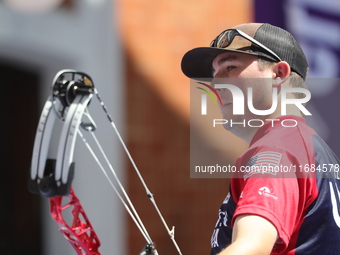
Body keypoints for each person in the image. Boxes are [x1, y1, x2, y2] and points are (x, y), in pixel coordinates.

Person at [181, 23, 340, 255]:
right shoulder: (310, 148)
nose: (215, 84)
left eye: (230, 67)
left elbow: (250, 248)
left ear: (278, 74)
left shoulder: (278, 147)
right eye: (215, 74)